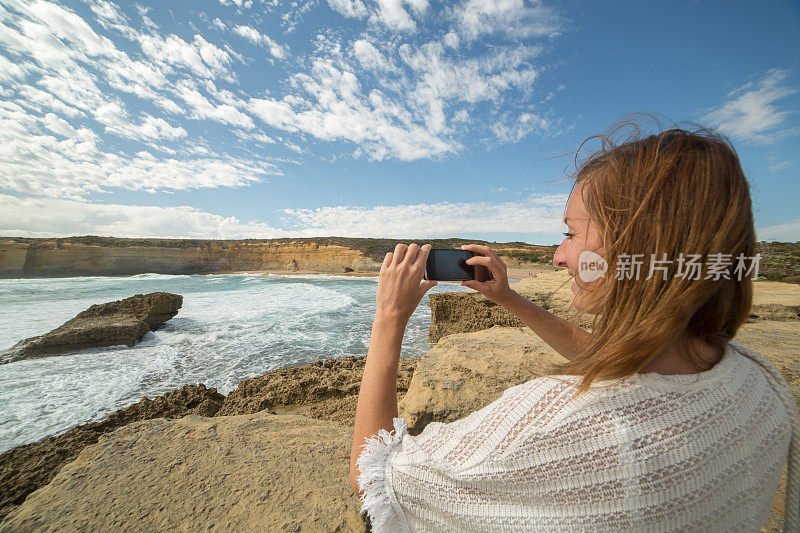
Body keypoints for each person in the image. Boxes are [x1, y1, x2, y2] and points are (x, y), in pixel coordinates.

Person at [349, 123, 800, 532]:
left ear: (635, 242)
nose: (559, 256)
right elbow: (609, 356)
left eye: (570, 233)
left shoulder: (558, 424)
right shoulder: (759, 385)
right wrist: (506, 297)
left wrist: (389, 318)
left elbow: (377, 478)